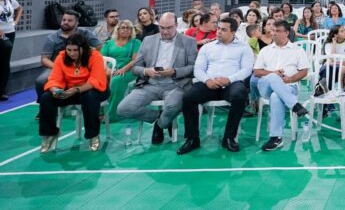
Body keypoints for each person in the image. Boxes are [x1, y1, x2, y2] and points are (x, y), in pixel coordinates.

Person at [117, 12, 198, 144]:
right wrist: (146, 71)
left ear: (176, 25)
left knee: (173, 106)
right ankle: (161, 118)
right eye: (162, 27)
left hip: (175, 85)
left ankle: (159, 126)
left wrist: (174, 71)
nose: (165, 31)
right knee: (123, 109)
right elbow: (136, 68)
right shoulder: (148, 40)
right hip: (149, 84)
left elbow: (193, 68)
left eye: (169, 28)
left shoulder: (189, 41)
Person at [177, 17, 254, 155]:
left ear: (233, 32)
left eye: (223, 30)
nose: (218, 32)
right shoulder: (207, 47)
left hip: (231, 84)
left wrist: (229, 79)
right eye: (218, 28)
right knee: (188, 97)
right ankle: (192, 138)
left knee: (240, 95)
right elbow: (198, 69)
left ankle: (229, 137)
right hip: (209, 84)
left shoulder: (244, 47)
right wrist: (207, 80)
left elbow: (247, 70)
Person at [38, 32, 110, 152]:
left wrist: (77, 89)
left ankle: (93, 135)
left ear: (83, 48)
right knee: (46, 97)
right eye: (69, 50)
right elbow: (54, 78)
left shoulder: (95, 56)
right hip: (70, 91)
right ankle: (50, 134)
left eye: (75, 50)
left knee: (90, 97)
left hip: (93, 89)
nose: (72, 53)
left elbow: (96, 80)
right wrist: (55, 90)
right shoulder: (61, 57)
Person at [253, 19, 310, 151]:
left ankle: (276, 138)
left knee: (276, 96)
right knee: (274, 76)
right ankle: (295, 105)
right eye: (273, 30)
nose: (274, 33)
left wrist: (289, 79)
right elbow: (257, 72)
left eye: (278, 31)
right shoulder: (265, 50)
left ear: (286, 33)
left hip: (289, 86)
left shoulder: (297, 50)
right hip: (266, 86)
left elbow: (304, 71)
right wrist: (273, 74)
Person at [37, 10, 100, 102]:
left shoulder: (85, 33)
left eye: (70, 20)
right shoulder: (51, 38)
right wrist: (59, 67)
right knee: (40, 81)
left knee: (95, 80)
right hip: (56, 66)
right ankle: (43, 102)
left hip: (82, 65)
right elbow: (44, 59)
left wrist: (91, 59)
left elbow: (99, 47)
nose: (65, 22)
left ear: (77, 23)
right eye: (64, 20)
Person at [100, 20, 141, 120]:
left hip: (129, 69)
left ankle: (113, 114)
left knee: (116, 81)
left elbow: (135, 60)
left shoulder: (136, 42)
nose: (126, 30)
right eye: (123, 27)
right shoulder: (109, 43)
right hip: (110, 69)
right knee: (98, 79)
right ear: (117, 30)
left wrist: (123, 69)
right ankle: (100, 111)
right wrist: (107, 69)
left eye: (129, 28)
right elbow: (101, 58)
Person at [0, 0, 24, 100]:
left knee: (5, 62)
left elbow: (20, 8)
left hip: (10, 32)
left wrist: (15, 21)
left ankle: (2, 90)